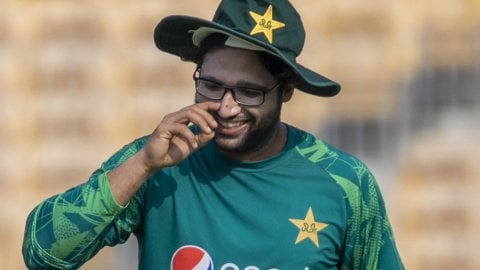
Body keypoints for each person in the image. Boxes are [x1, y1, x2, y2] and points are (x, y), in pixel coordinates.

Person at [22, 0, 404, 269]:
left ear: (286, 91)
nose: (226, 106)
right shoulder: (157, 161)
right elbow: (43, 253)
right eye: (210, 85)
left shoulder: (345, 182)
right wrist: (141, 165)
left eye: (249, 91)